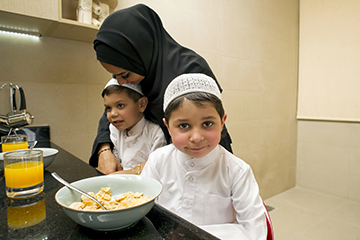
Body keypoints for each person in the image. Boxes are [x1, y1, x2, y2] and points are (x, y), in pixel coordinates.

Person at [90, 3, 233, 174]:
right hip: (153, 168)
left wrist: (136, 171)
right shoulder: (136, 70)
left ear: (143, 52)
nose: (120, 82)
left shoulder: (190, 71)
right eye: (115, 76)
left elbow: (195, 137)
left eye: (124, 75)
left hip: (201, 161)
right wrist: (104, 149)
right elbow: (111, 110)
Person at [141, 73, 267, 240]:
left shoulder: (237, 171)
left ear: (222, 123)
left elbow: (255, 227)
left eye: (207, 124)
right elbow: (143, 208)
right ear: (168, 127)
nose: (196, 137)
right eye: (184, 125)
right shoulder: (158, 161)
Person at [101, 79, 166, 174]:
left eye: (120, 105)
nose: (113, 114)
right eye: (108, 108)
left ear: (141, 104)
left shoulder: (155, 133)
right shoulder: (114, 130)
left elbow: (157, 168)